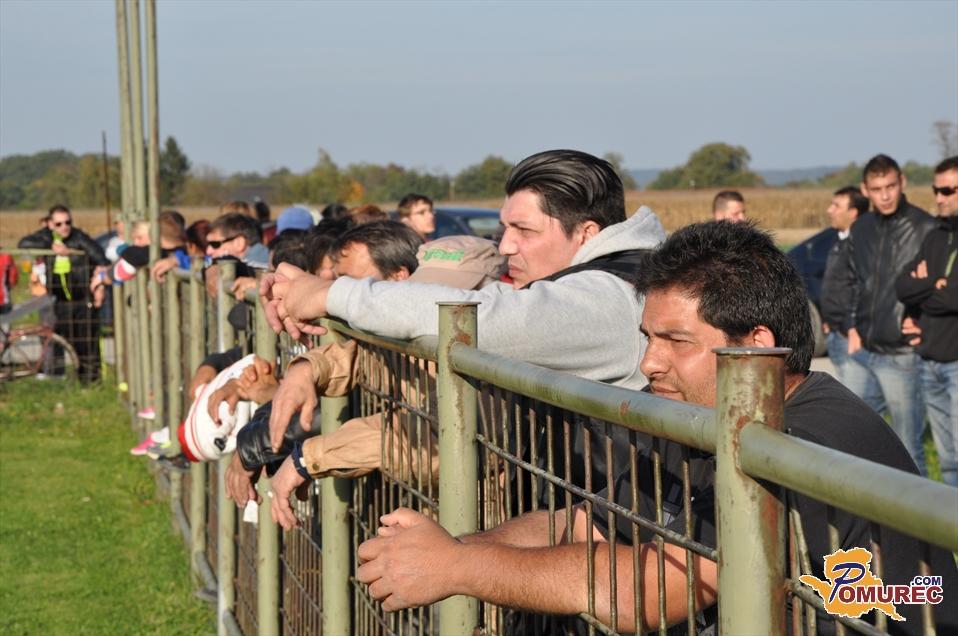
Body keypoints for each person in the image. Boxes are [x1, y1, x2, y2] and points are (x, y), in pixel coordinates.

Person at [355, 221, 958, 635]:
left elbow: (653, 590)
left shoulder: (803, 443)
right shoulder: (704, 416)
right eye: (648, 337)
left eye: (677, 341)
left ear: (757, 347)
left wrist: (458, 569)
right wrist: (452, 550)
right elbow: (590, 521)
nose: (649, 363)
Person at [260, 149, 665, 397]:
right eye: (505, 228)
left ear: (587, 233)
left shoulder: (606, 298)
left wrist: (329, 295)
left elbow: (479, 317)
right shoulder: (613, 279)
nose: (505, 246)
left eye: (524, 231)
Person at [843, 154, 935, 474]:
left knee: (907, 448)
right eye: (877, 189)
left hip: (902, 355)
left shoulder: (926, 227)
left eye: (891, 186)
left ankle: (919, 507)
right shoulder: (861, 228)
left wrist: (925, 325)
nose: (885, 196)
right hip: (862, 352)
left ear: (902, 182)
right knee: (849, 440)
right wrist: (850, 326)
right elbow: (852, 279)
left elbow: (942, 286)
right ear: (865, 190)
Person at [895, 155, 958, 487]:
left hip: (956, 364)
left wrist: (925, 289)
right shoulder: (936, 236)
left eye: (948, 190)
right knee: (947, 462)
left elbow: (954, 298)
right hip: (930, 362)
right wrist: (936, 284)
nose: (939, 197)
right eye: (936, 189)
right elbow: (902, 286)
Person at [17, 204, 109, 381]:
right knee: (62, 339)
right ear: (51, 224)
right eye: (59, 224)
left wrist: (71, 254)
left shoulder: (78, 237)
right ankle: (59, 376)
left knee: (86, 343)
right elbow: (24, 243)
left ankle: (91, 381)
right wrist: (50, 245)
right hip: (59, 300)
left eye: (68, 222)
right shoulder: (46, 237)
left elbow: (100, 257)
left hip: (82, 297)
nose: (64, 227)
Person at [819, 186, 869, 383]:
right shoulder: (839, 241)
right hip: (835, 331)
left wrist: (851, 326)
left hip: (849, 334)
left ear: (853, 212)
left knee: (856, 394)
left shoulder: (859, 244)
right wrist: (828, 319)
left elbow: (861, 286)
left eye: (836, 206)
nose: (829, 210)